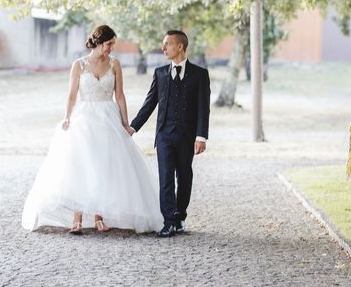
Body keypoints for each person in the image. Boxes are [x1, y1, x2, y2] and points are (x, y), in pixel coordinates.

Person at [22, 25, 163, 234]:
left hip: (108, 118)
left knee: (104, 164)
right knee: (81, 164)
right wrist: (67, 117)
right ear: (98, 42)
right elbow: (71, 95)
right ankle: (76, 218)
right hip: (84, 118)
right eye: (109, 44)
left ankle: (99, 216)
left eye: (113, 44)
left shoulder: (115, 64)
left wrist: (126, 123)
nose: (111, 48)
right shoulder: (78, 65)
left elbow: (120, 96)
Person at [130, 30, 211, 238]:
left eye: (168, 44)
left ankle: (179, 215)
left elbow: (204, 108)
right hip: (164, 135)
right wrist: (133, 127)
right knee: (165, 178)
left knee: (184, 177)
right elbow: (149, 104)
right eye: (163, 44)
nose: (163, 48)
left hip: (187, 136)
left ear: (180, 47)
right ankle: (168, 222)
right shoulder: (160, 73)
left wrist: (201, 136)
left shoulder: (200, 75)